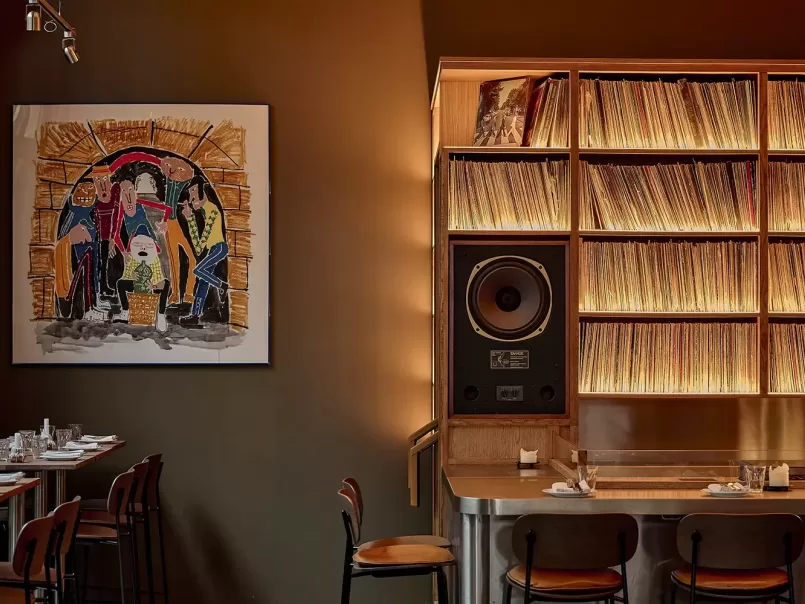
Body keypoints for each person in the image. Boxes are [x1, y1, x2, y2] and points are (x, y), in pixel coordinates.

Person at [179, 180, 228, 326]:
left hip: (220, 248)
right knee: (203, 282)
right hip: (213, 249)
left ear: (202, 191)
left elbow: (203, 241)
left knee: (198, 270)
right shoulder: (205, 212)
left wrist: (191, 218)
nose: (191, 197)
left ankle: (221, 285)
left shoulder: (212, 210)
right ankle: (195, 315)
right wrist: (190, 219)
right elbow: (199, 247)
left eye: (193, 191)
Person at [54, 181, 105, 321]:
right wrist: (70, 238)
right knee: (82, 276)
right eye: (80, 188)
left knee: (90, 272)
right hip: (74, 253)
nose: (85, 192)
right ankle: (86, 309)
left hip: (88, 248)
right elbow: (63, 234)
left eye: (90, 189)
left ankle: (90, 306)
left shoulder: (91, 211)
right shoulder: (71, 211)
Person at [113, 225, 169, 332]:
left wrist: (154, 285)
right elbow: (126, 276)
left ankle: (160, 315)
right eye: (138, 245)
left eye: (147, 246)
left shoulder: (154, 259)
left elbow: (160, 280)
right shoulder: (132, 258)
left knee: (166, 283)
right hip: (136, 286)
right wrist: (132, 275)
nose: (143, 248)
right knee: (120, 283)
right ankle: (125, 311)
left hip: (151, 287)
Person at [157, 157, 196, 306]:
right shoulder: (169, 180)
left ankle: (188, 294)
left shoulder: (183, 182)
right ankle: (176, 294)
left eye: (179, 169)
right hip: (171, 223)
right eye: (170, 167)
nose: (173, 171)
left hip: (177, 223)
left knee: (191, 259)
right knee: (175, 261)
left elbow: (189, 175)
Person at [111, 179, 172, 255]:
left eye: (130, 189)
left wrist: (164, 221)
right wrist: (124, 253)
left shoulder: (139, 202)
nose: (128, 194)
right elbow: (116, 235)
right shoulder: (121, 209)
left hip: (149, 241)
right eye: (124, 191)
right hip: (135, 244)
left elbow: (168, 209)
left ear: (134, 190)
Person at [90, 165, 120, 300]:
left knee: (107, 262)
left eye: (104, 177)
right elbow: (94, 216)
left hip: (109, 235)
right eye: (97, 178)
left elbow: (116, 215)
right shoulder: (94, 194)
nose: (101, 181)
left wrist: (113, 237)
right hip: (97, 235)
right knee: (98, 262)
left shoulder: (114, 189)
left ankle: (104, 286)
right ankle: (99, 287)